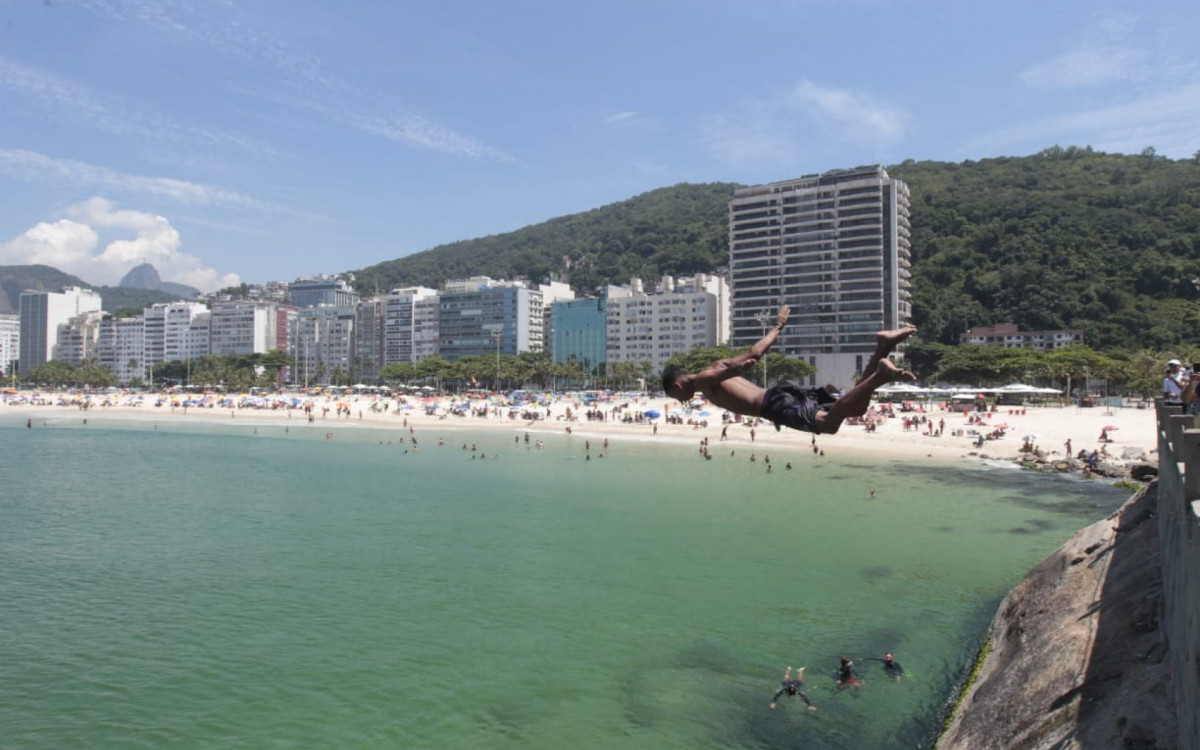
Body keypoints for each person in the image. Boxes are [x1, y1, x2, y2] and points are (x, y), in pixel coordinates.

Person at [661, 305, 917, 435]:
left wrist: (740, 366)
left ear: (677, 385)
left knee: (828, 426)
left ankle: (881, 375)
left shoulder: (705, 380)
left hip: (774, 404)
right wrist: (778, 327)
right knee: (857, 408)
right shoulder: (713, 369)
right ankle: (883, 346)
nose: (681, 401)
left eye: (676, 397)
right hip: (779, 396)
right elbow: (754, 353)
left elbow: (747, 360)